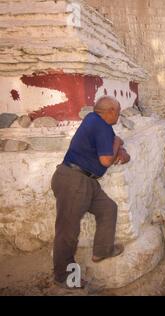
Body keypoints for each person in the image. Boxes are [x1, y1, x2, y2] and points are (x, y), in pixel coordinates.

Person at [51, 96, 130, 289]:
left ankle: (102, 251)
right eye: (118, 112)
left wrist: (119, 147)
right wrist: (117, 144)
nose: (119, 116)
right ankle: (63, 276)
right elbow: (105, 160)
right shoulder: (99, 124)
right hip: (73, 180)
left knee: (108, 208)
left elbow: (116, 152)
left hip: (88, 182)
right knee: (68, 231)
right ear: (110, 111)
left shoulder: (98, 124)